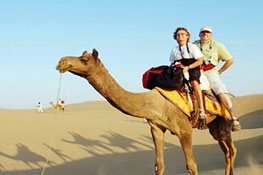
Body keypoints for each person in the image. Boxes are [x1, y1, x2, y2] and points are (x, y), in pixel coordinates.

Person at [193, 27, 241, 131]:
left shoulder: (218, 46)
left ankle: (233, 117)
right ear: (199, 34)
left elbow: (230, 60)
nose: (205, 34)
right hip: (196, 71)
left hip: (210, 72)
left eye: (208, 32)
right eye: (203, 32)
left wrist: (220, 71)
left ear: (211, 34)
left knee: (219, 89)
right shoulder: (194, 45)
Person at [170, 27, 207, 119]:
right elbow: (172, 63)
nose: (180, 36)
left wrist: (188, 67)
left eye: (183, 34)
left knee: (194, 83)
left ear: (187, 36)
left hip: (193, 68)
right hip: (180, 70)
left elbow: (200, 61)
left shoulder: (192, 47)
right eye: (178, 34)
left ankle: (201, 109)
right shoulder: (174, 50)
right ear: (176, 37)